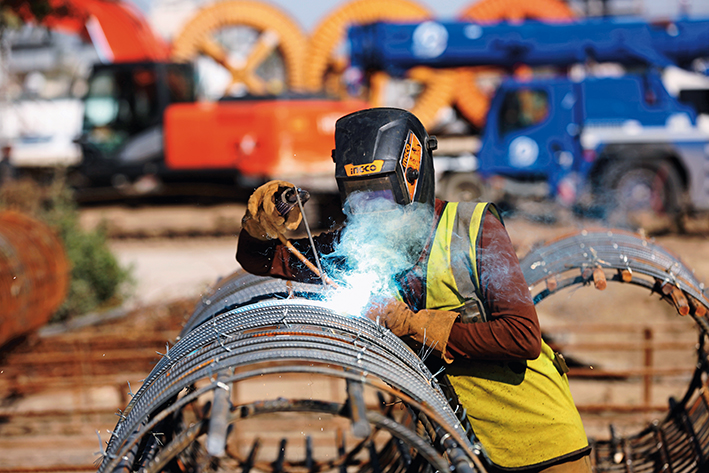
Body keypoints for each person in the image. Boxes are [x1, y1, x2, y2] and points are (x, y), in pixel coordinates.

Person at [237, 107, 591, 473]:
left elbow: (522, 337)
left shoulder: (473, 229)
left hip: (539, 445)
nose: (371, 209)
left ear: (412, 179)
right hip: (464, 447)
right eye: (359, 195)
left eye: (380, 193)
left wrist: (413, 324)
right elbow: (259, 259)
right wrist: (259, 224)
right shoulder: (360, 244)